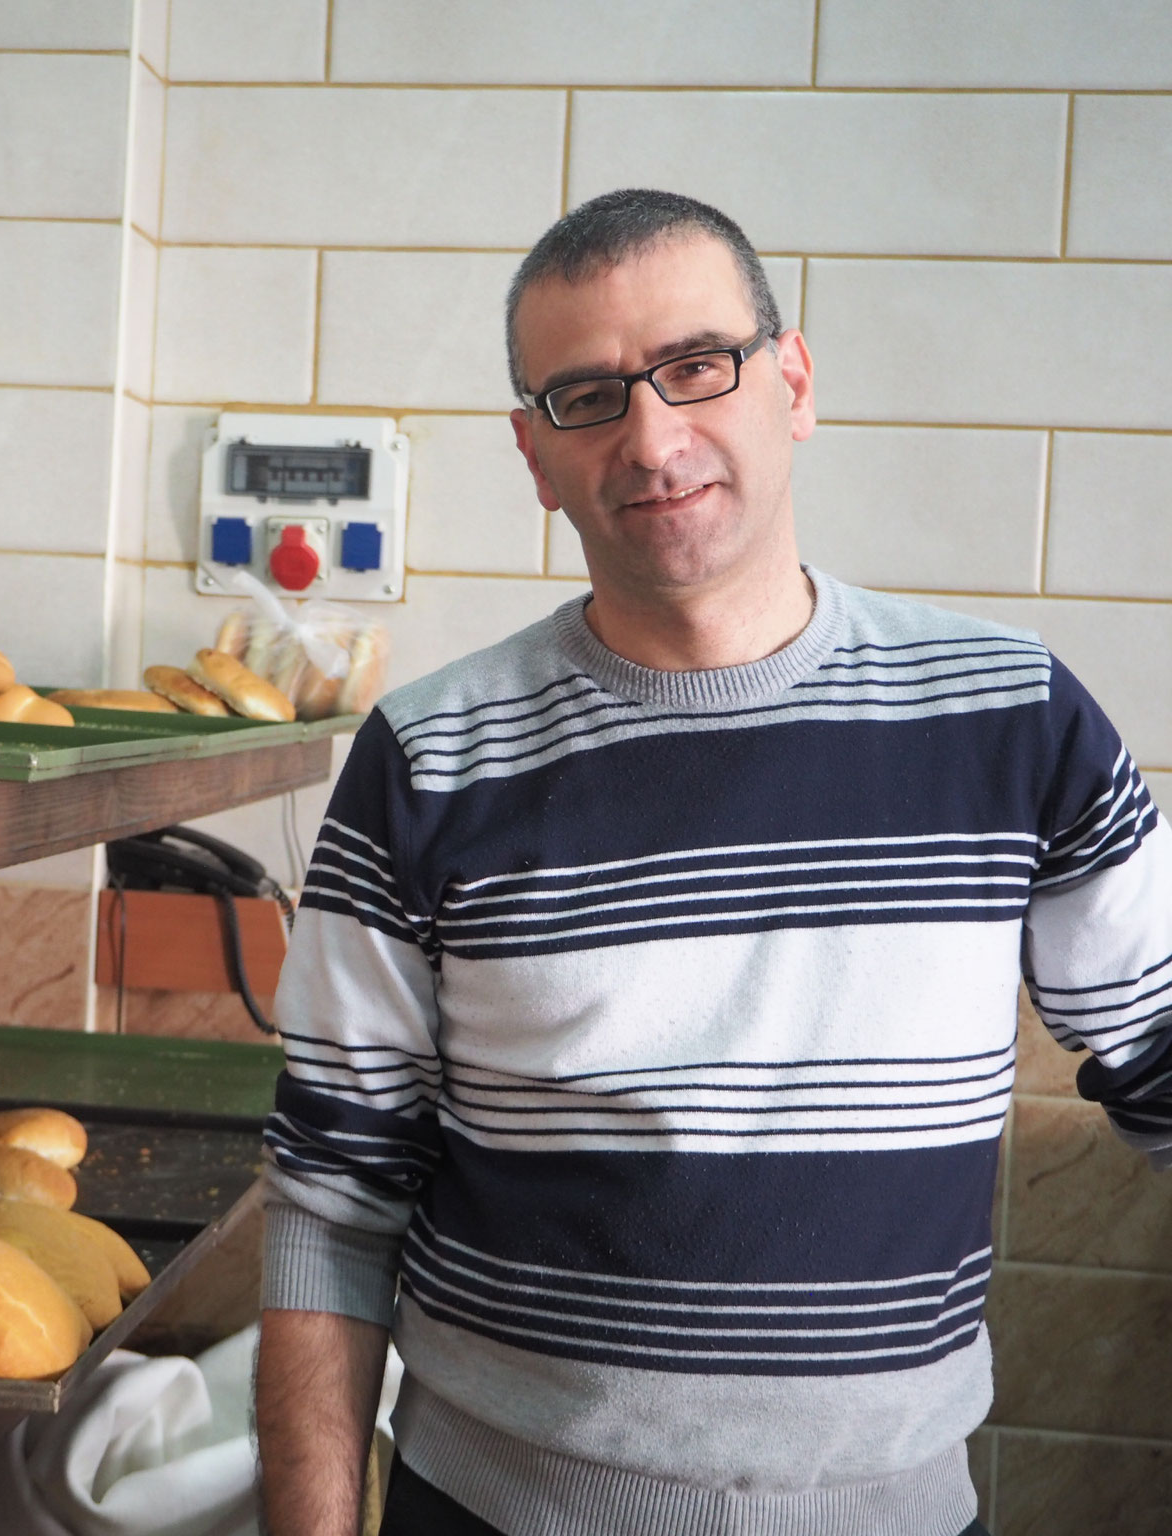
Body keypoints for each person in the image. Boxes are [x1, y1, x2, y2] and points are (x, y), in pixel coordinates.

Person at [253, 187, 1171, 1536]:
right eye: (588, 396)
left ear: (790, 382)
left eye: (697, 367)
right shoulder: (429, 758)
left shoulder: (1011, 719)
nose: (653, 436)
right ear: (533, 453)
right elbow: (330, 1205)